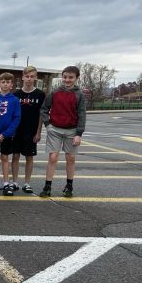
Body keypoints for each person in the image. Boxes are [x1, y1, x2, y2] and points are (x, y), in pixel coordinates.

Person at [40, 65, 86, 198]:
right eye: (65, 77)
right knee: (53, 157)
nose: (67, 80)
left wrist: (79, 134)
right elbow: (44, 109)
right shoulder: (54, 93)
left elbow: (82, 115)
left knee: (70, 158)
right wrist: (48, 124)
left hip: (71, 130)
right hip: (55, 129)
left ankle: (69, 186)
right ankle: (47, 186)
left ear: (76, 78)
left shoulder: (79, 95)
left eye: (70, 77)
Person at [11, 66, 45, 193]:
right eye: (27, 76)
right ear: (23, 77)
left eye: (32, 76)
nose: (29, 79)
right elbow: (12, 114)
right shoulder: (16, 95)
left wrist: (38, 132)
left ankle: (27, 183)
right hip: (17, 131)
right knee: (15, 156)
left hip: (31, 132)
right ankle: (14, 182)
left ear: (35, 77)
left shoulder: (40, 95)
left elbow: (41, 115)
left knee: (29, 157)